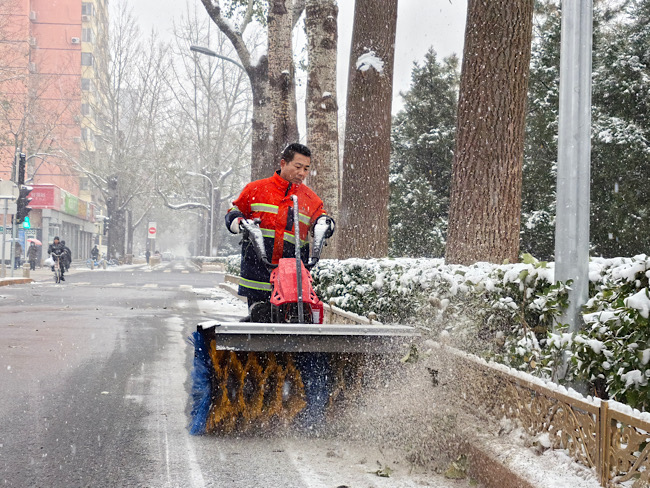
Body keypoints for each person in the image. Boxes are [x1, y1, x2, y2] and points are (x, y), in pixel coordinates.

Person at [225, 143, 335, 319]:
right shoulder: (256, 190)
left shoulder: (311, 199)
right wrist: (239, 222)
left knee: (298, 322)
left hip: (293, 279)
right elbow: (234, 212)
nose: (302, 173)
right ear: (283, 163)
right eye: (298, 167)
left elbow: (322, 219)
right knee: (260, 320)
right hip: (258, 273)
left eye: (306, 168)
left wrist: (324, 224)